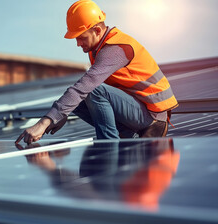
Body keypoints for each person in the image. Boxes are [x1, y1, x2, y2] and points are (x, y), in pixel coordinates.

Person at [16, 0, 178, 144]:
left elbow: (85, 86)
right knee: (74, 102)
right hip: (136, 111)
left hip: (152, 119)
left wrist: (45, 121)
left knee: (91, 90)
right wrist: (61, 115)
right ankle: (124, 134)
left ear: (97, 31)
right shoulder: (98, 48)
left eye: (81, 37)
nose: (78, 43)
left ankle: (108, 145)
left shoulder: (116, 48)